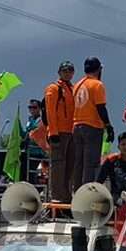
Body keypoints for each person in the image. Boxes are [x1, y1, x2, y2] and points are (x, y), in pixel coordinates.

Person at [71, 57, 110, 192]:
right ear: (99, 69)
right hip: (92, 127)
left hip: (76, 126)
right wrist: (108, 125)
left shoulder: (77, 85)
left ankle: (77, 192)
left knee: (79, 164)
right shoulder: (97, 85)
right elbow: (100, 108)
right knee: (91, 163)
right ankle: (87, 194)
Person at [44, 61, 77, 203]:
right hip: (58, 133)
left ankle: (67, 197)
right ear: (59, 72)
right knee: (57, 166)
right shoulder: (54, 88)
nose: (67, 73)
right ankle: (56, 197)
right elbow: (50, 111)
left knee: (70, 167)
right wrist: (53, 132)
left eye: (70, 71)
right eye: (65, 71)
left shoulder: (73, 88)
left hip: (71, 132)